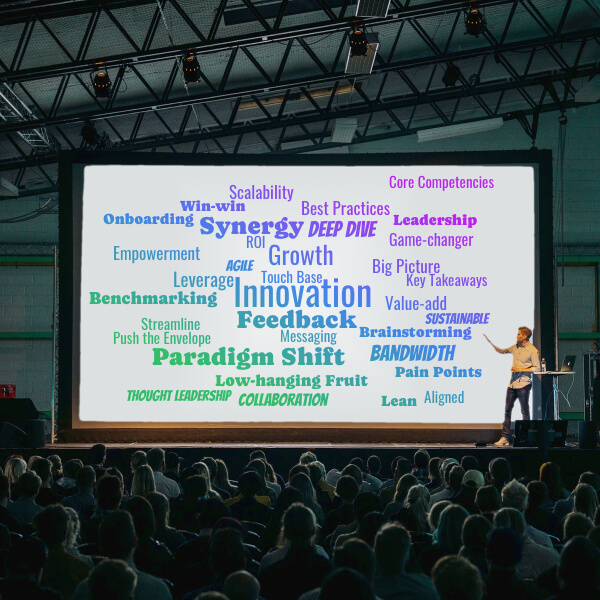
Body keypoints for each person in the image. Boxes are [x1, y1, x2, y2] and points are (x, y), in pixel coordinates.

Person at [485, 327, 540, 446]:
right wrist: (492, 344)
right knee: (507, 410)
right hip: (512, 384)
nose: (517, 336)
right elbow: (503, 351)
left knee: (524, 411)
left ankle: (525, 438)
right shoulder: (515, 347)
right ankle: (504, 438)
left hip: (524, 384)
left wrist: (520, 369)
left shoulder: (532, 350)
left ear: (525, 337)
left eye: (519, 334)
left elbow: (537, 368)